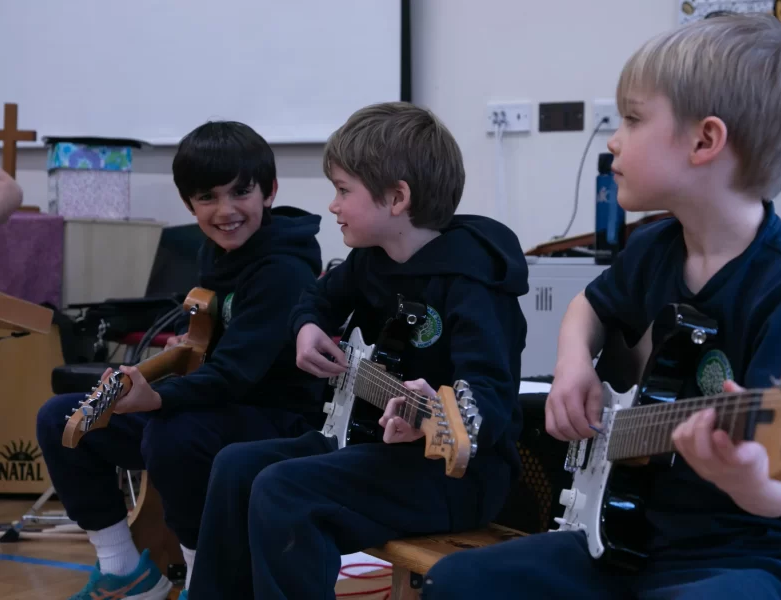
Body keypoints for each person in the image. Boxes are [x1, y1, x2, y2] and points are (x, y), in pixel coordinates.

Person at [422, 13, 781, 600]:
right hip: (635, 539)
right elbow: (589, 306)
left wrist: (747, 472)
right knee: (457, 583)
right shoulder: (655, 246)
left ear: (705, 141)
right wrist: (575, 363)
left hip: (765, 560)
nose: (612, 139)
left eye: (632, 118)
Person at [187, 101, 529, 600]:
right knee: (236, 465)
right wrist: (307, 326)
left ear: (396, 198)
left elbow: (489, 402)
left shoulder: (474, 282)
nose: (332, 205)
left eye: (343, 191)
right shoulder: (371, 259)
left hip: (455, 475)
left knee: (283, 490)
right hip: (370, 446)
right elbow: (317, 297)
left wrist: (424, 416)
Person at [35, 121, 327, 600]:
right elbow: (213, 345)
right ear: (188, 203)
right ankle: (124, 570)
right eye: (207, 198)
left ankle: (202, 579)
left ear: (270, 191)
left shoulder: (283, 269)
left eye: (241, 193)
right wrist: (177, 356)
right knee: (62, 419)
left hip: (279, 417)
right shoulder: (217, 253)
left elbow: (235, 375)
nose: (225, 210)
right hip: (219, 406)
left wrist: (156, 397)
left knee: (173, 436)